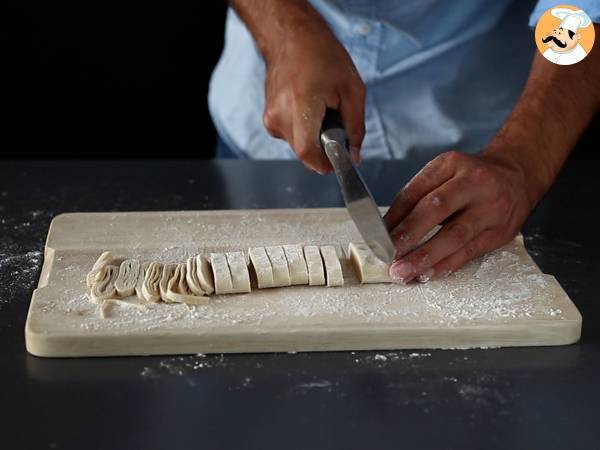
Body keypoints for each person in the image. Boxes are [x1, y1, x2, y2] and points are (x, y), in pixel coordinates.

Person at [208, 0, 600, 284]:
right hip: (266, 145)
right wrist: (285, 30)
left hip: (489, 156)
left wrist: (524, 158)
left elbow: (579, 11)